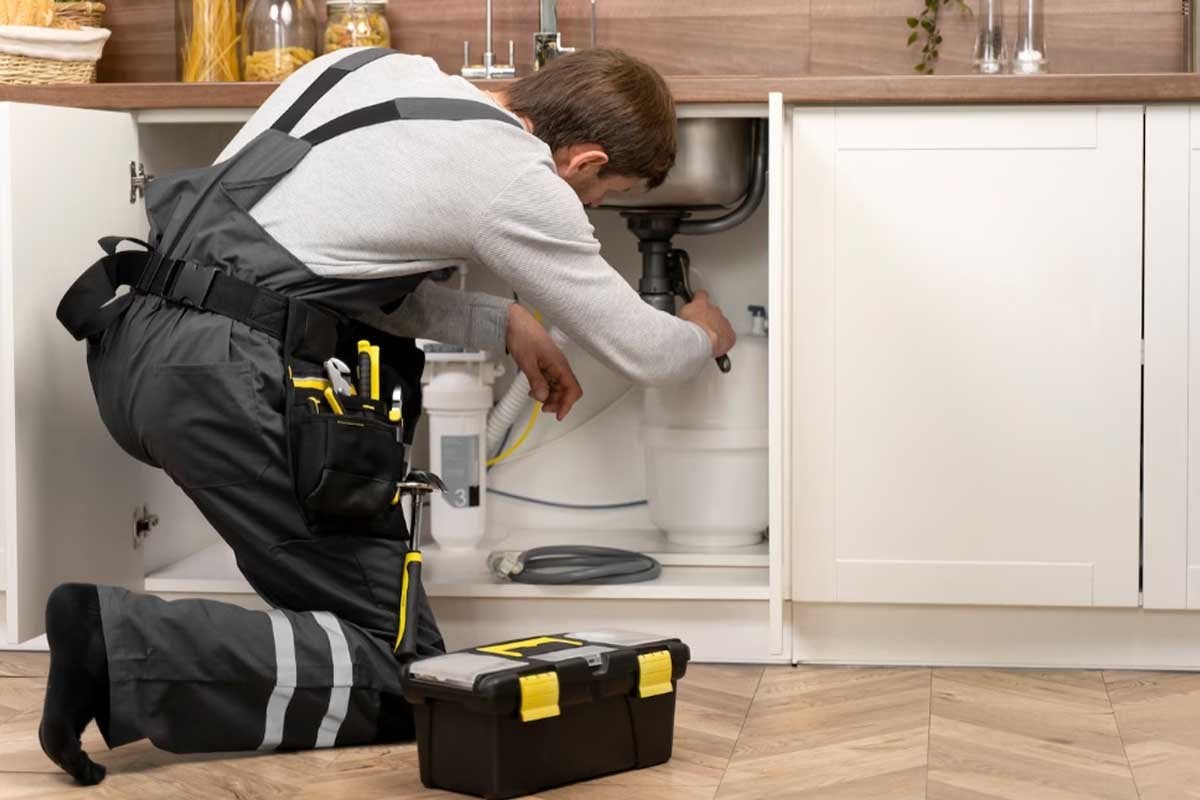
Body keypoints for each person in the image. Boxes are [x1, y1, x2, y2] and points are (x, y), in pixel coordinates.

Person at [44, 46, 736, 785]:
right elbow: (649, 353)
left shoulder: (372, 66)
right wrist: (705, 332)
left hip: (137, 347)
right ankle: (119, 644)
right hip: (229, 385)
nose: (590, 212)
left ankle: (127, 652)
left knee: (382, 647)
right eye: (604, 194)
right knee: (419, 682)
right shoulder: (513, 177)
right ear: (585, 158)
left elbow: (307, 254)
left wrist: (500, 319)